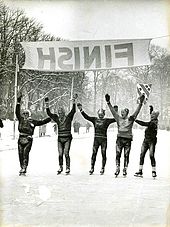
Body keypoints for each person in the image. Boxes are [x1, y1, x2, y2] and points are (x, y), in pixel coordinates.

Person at [105, 93, 145, 177]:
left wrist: (140, 103)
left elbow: (136, 112)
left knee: (126, 155)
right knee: (118, 154)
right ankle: (117, 167)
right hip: (119, 139)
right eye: (121, 112)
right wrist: (108, 102)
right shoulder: (118, 118)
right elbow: (112, 111)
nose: (121, 113)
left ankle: (125, 169)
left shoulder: (130, 119)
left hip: (127, 140)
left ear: (127, 113)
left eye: (123, 112)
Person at [77, 103, 117, 175]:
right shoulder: (95, 119)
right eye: (99, 114)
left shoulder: (106, 121)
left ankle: (102, 168)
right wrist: (81, 110)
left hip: (103, 139)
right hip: (97, 139)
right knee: (94, 154)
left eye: (102, 114)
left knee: (103, 154)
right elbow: (87, 117)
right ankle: (92, 168)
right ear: (98, 114)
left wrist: (115, 111)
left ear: (104, 114)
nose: (101, 115)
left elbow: (115, 119)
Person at [16, 94, 51, 176]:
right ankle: (21, 167)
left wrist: (50, 118)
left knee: (25, 153)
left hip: (28, 139)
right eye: (24, 113)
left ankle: (25, 167)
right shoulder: (20, 120)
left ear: (29, 115)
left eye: (26, 114)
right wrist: (18, 102)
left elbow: (41, 122)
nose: (25, 115)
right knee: (20, 154)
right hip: (20, 138)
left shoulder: (32, 121)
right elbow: (17, 112)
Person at [45, 94, 77, 175]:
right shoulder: (56, 117)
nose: (60, 115)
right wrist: (47, 104)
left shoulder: (68, 117)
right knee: (60, 154)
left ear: (64, 113)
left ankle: (68, 167)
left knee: (66, 153)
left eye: (61, 113)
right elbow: (49, 113)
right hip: (60, 138)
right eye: (59, 113)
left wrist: (74, 101)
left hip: (67, 138)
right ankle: (60, 166)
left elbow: (73, 111)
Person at [134, 105, 159, 178]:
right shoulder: (153, 120)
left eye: (153, 115)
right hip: (146, 140)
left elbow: (144, 124)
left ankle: (154, 171)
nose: (151, 116)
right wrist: (151, 110)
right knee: (142, 155)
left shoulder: (154, 123)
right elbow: (152, 116)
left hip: (152, 141)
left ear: (156, 116)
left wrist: (136, 120)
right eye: (151, 115)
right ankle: (140, 171)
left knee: (151, 155)